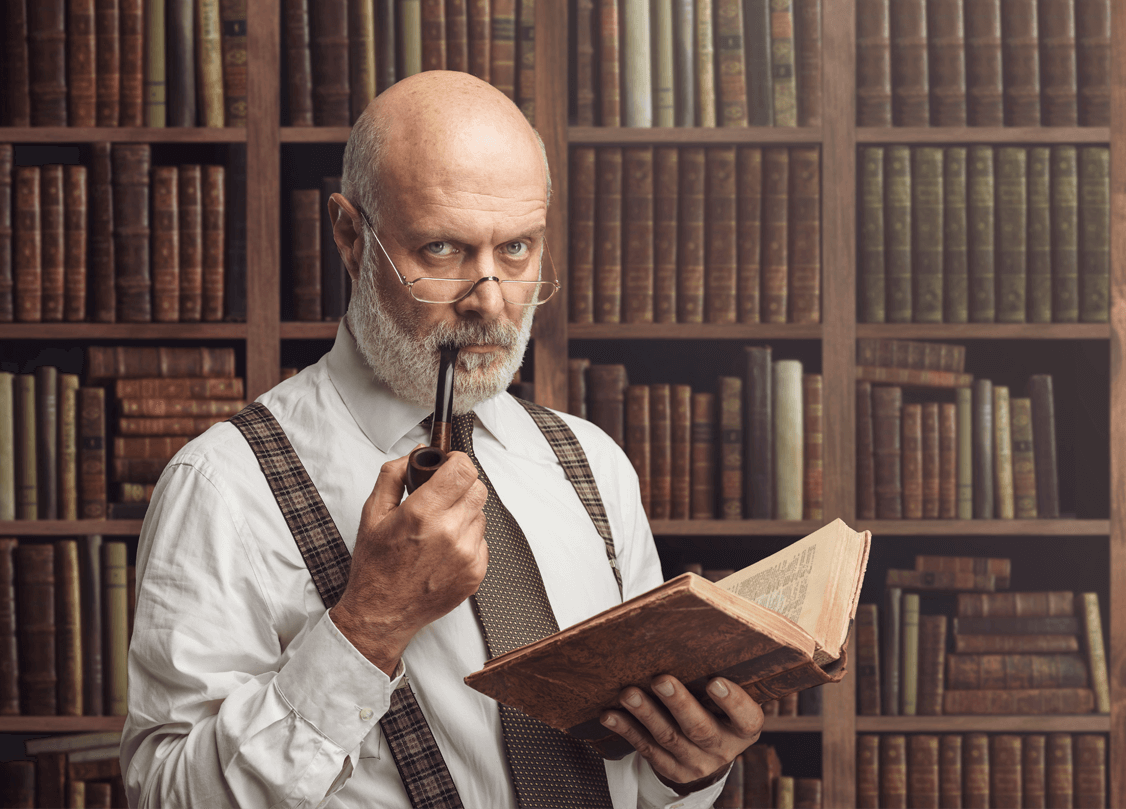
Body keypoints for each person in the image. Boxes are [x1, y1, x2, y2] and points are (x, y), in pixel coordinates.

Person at [120, 71, 765, 808]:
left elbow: (643, 790)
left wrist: (691, 768)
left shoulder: (592, 463)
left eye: (516, 249)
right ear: (350, 237)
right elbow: (164, 796)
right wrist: (368, 624)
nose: (489, 301)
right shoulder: (222, 485)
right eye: (442, 250)